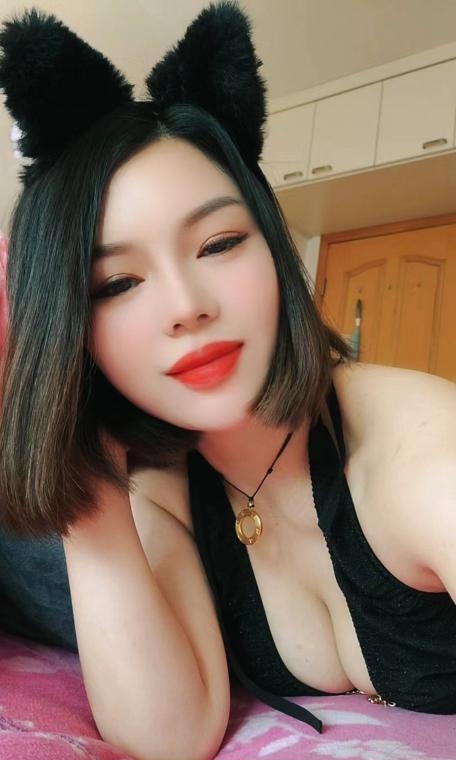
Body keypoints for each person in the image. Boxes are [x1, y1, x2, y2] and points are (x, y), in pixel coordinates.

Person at [0, 3, 455, 759]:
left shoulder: (424, 458)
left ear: (272, 246)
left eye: (218, 243)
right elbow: (169, 737)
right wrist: (85, 490)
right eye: (117, 284)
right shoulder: (163, 483)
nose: (186, 306)